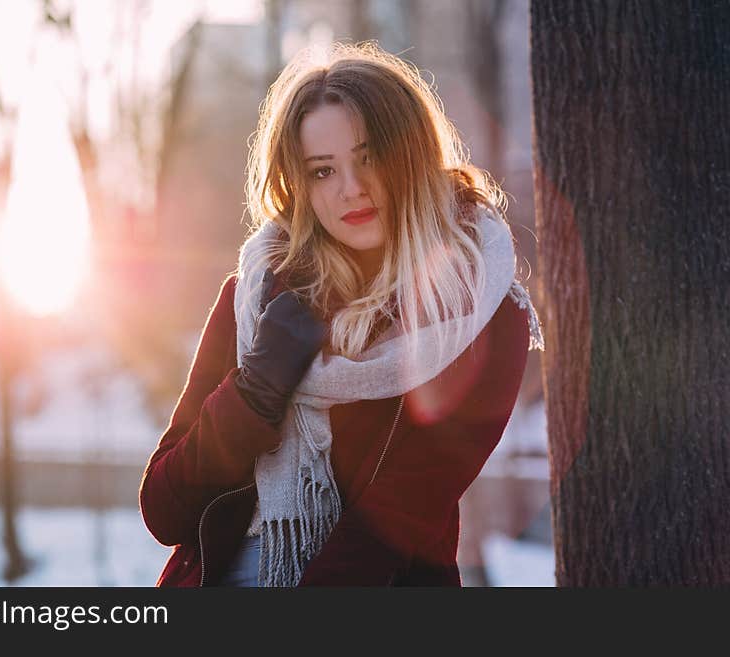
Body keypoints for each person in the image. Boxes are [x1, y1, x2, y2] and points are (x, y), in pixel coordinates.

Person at [139, 41, 544, 587]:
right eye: (323, 171)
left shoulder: (476, 314)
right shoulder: (258, 297)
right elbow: (166, 508)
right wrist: (255, 392)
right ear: (298, 184)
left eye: (370, 156)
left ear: (413, 154)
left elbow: (397, 518)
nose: (351, 188)